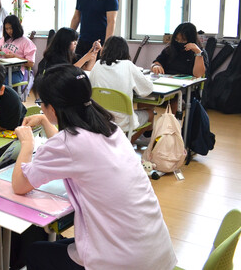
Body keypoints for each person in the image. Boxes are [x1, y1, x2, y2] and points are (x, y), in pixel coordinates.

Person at [13, 64, 177, 270]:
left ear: (52, 108)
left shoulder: (68, 144)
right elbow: (73, 153)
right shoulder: (110, 127)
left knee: (36, 252)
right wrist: (47, 123)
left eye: (41, 104)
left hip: (123, 261)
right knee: (55, 244)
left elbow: (20, 185)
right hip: (154, 252)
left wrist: (27, 143)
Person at [89, 36, 154, 143]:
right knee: (150, 114)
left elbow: (90, 89)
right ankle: (126, 144)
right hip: (123, 121)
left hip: (99, 118)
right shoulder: (128, 65)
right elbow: (147, 89)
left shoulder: (97, 65)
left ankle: (119, 143)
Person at [0, 15, 36, 85]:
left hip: (17, 72)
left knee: (1, 83)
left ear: (17, 27)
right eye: (6, 29)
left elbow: (31, 63)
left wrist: (14, 57)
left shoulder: (26, 42)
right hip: (1, 70)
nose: (9, 31)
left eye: (11, 28)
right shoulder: (4, 39)